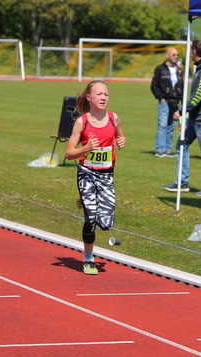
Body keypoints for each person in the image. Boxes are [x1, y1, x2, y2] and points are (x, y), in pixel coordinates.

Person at [66, 80, 126, 275]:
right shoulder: (82, 122)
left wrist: (121, 140)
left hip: (106, 175)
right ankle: (88, 258)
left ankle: (84, 199)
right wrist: (85, 149)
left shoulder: (113, 118)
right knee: (91, 218)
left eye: (106, 94)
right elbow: (69, 153)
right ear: (89, 97)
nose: (103, 98)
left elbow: (119, 135)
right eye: (99, 94)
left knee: (106, 225)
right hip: (87, 174)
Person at [163, 40, 201, 197]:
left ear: (194, 52)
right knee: (181, 146)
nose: (189, 53)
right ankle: (182, 182)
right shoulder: (200, 68)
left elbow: (197, 96)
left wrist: (181, 111)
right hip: (195, 119)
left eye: (190, 50)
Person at [151, 47, 183, 158]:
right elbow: (154, 86)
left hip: (176, 102)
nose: (175, 57)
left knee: (171, 126)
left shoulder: (178, 70)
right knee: (162, 125)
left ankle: (168, 150)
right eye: (173, 54)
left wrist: (182, 100)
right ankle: (160, 150)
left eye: (177, 55)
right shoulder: (159, 69)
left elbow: (182, 86)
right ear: (167, 55)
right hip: (165, 101)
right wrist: (161, 98)